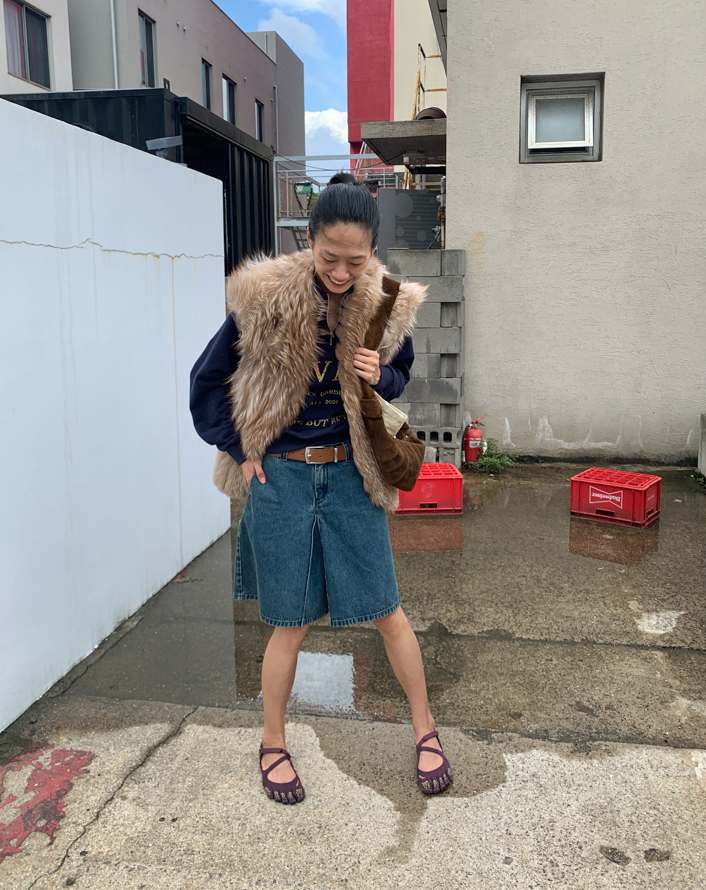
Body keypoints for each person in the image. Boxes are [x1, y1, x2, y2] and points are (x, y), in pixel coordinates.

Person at [189, 178, 452, 805]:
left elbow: (401, 373)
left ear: (372, 252)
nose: (340, 272)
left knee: (388, 611)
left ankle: (426, 730)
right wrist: (241, 449)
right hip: (282, 479)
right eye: (329, 256)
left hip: (351, 476)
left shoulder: (385, 303)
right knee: (289, 624)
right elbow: (206, 380)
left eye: (354, 261)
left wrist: (380, 373)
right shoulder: (265, 299)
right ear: (309, 240)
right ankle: (272, 742)